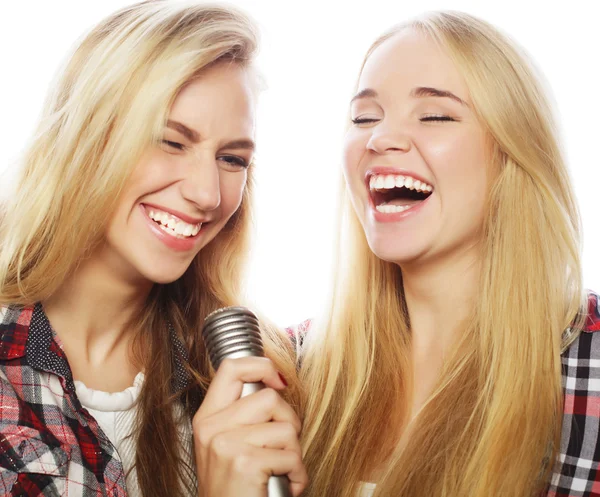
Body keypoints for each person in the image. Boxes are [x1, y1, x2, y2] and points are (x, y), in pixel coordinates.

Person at [0, 2, 306, 496]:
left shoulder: (253, 371)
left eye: (232, 158)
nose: (208, 194)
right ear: (85, 137)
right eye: (171, 141)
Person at [294, 11, 599, 497]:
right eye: (364, 118)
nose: (379, 139)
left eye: (434, 115)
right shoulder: (291, 371)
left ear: (513, 154)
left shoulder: (591, 363)